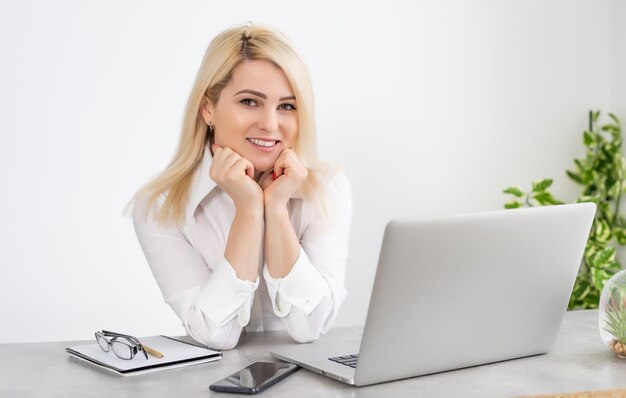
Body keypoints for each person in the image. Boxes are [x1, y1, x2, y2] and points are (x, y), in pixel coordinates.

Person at [129, 24, 352, 350]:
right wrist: (249, 211)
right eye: (250, 102)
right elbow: (216, 335)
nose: (271, 124)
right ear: (208, 109)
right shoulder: (161, 205)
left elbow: (311, 327)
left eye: (287, 106)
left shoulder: (326, 188)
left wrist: (275, 210)